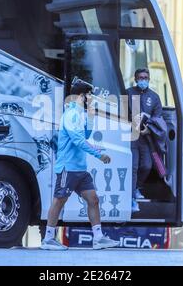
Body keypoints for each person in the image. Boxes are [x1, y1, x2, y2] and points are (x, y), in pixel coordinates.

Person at [40, 81, 119, 250]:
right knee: (59, 201)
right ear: (82, 96)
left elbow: (86, 134)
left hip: (80, 169)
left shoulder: (79, 114)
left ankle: (98, 238)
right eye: (89, 95)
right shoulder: (70, 115)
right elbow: (78, 140)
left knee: (93, 200)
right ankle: (48, 239)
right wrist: (99, 155)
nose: (91, 99)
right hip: (68, 168)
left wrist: (90, 117)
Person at [126, 68, 163, 212]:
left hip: (146, 137)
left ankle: (136, 188)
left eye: (146, 77)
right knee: (134, 167)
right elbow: (121, 113)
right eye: (141, 77)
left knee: (147, 166)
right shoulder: (128, 92)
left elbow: (158, 118)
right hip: (130, 136)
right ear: (135, 79)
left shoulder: (154, 97)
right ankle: (132, 199)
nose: (143, 80)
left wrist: (149, 129)